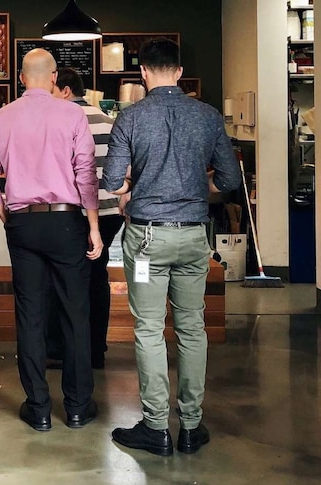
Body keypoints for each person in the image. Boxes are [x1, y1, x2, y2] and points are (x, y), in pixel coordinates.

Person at [103, 38, 241, 456]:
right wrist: (199, 190)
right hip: (195, 235)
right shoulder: (207, 116)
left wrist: (130, 191)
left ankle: (155, 427)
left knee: (148, 329)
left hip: (146, 237)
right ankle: (191, 427)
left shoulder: (130, 117)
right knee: (191, 328)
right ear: (179, 72)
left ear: (143, 73)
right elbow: (231, 181)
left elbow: (111, 182)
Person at [0, 49, 102, 432]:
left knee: (30, 316)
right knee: (75, 313)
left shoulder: (1, 117)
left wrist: (6, 217)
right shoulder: (72, 114)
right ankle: (78, 407)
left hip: (23, 225)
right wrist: (93, 225)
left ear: (20, 77)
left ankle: (39, 408)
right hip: (66, 222)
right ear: (53, 77)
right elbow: (86, 175)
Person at [45, 67, 124, 369]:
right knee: (96, 276)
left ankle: (59, 350)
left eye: (52, 90)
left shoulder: (60, 122)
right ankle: (94, 352)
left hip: (73, 213)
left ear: (64, 91)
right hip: (109, 213)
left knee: (62, 278)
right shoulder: (109, 121)